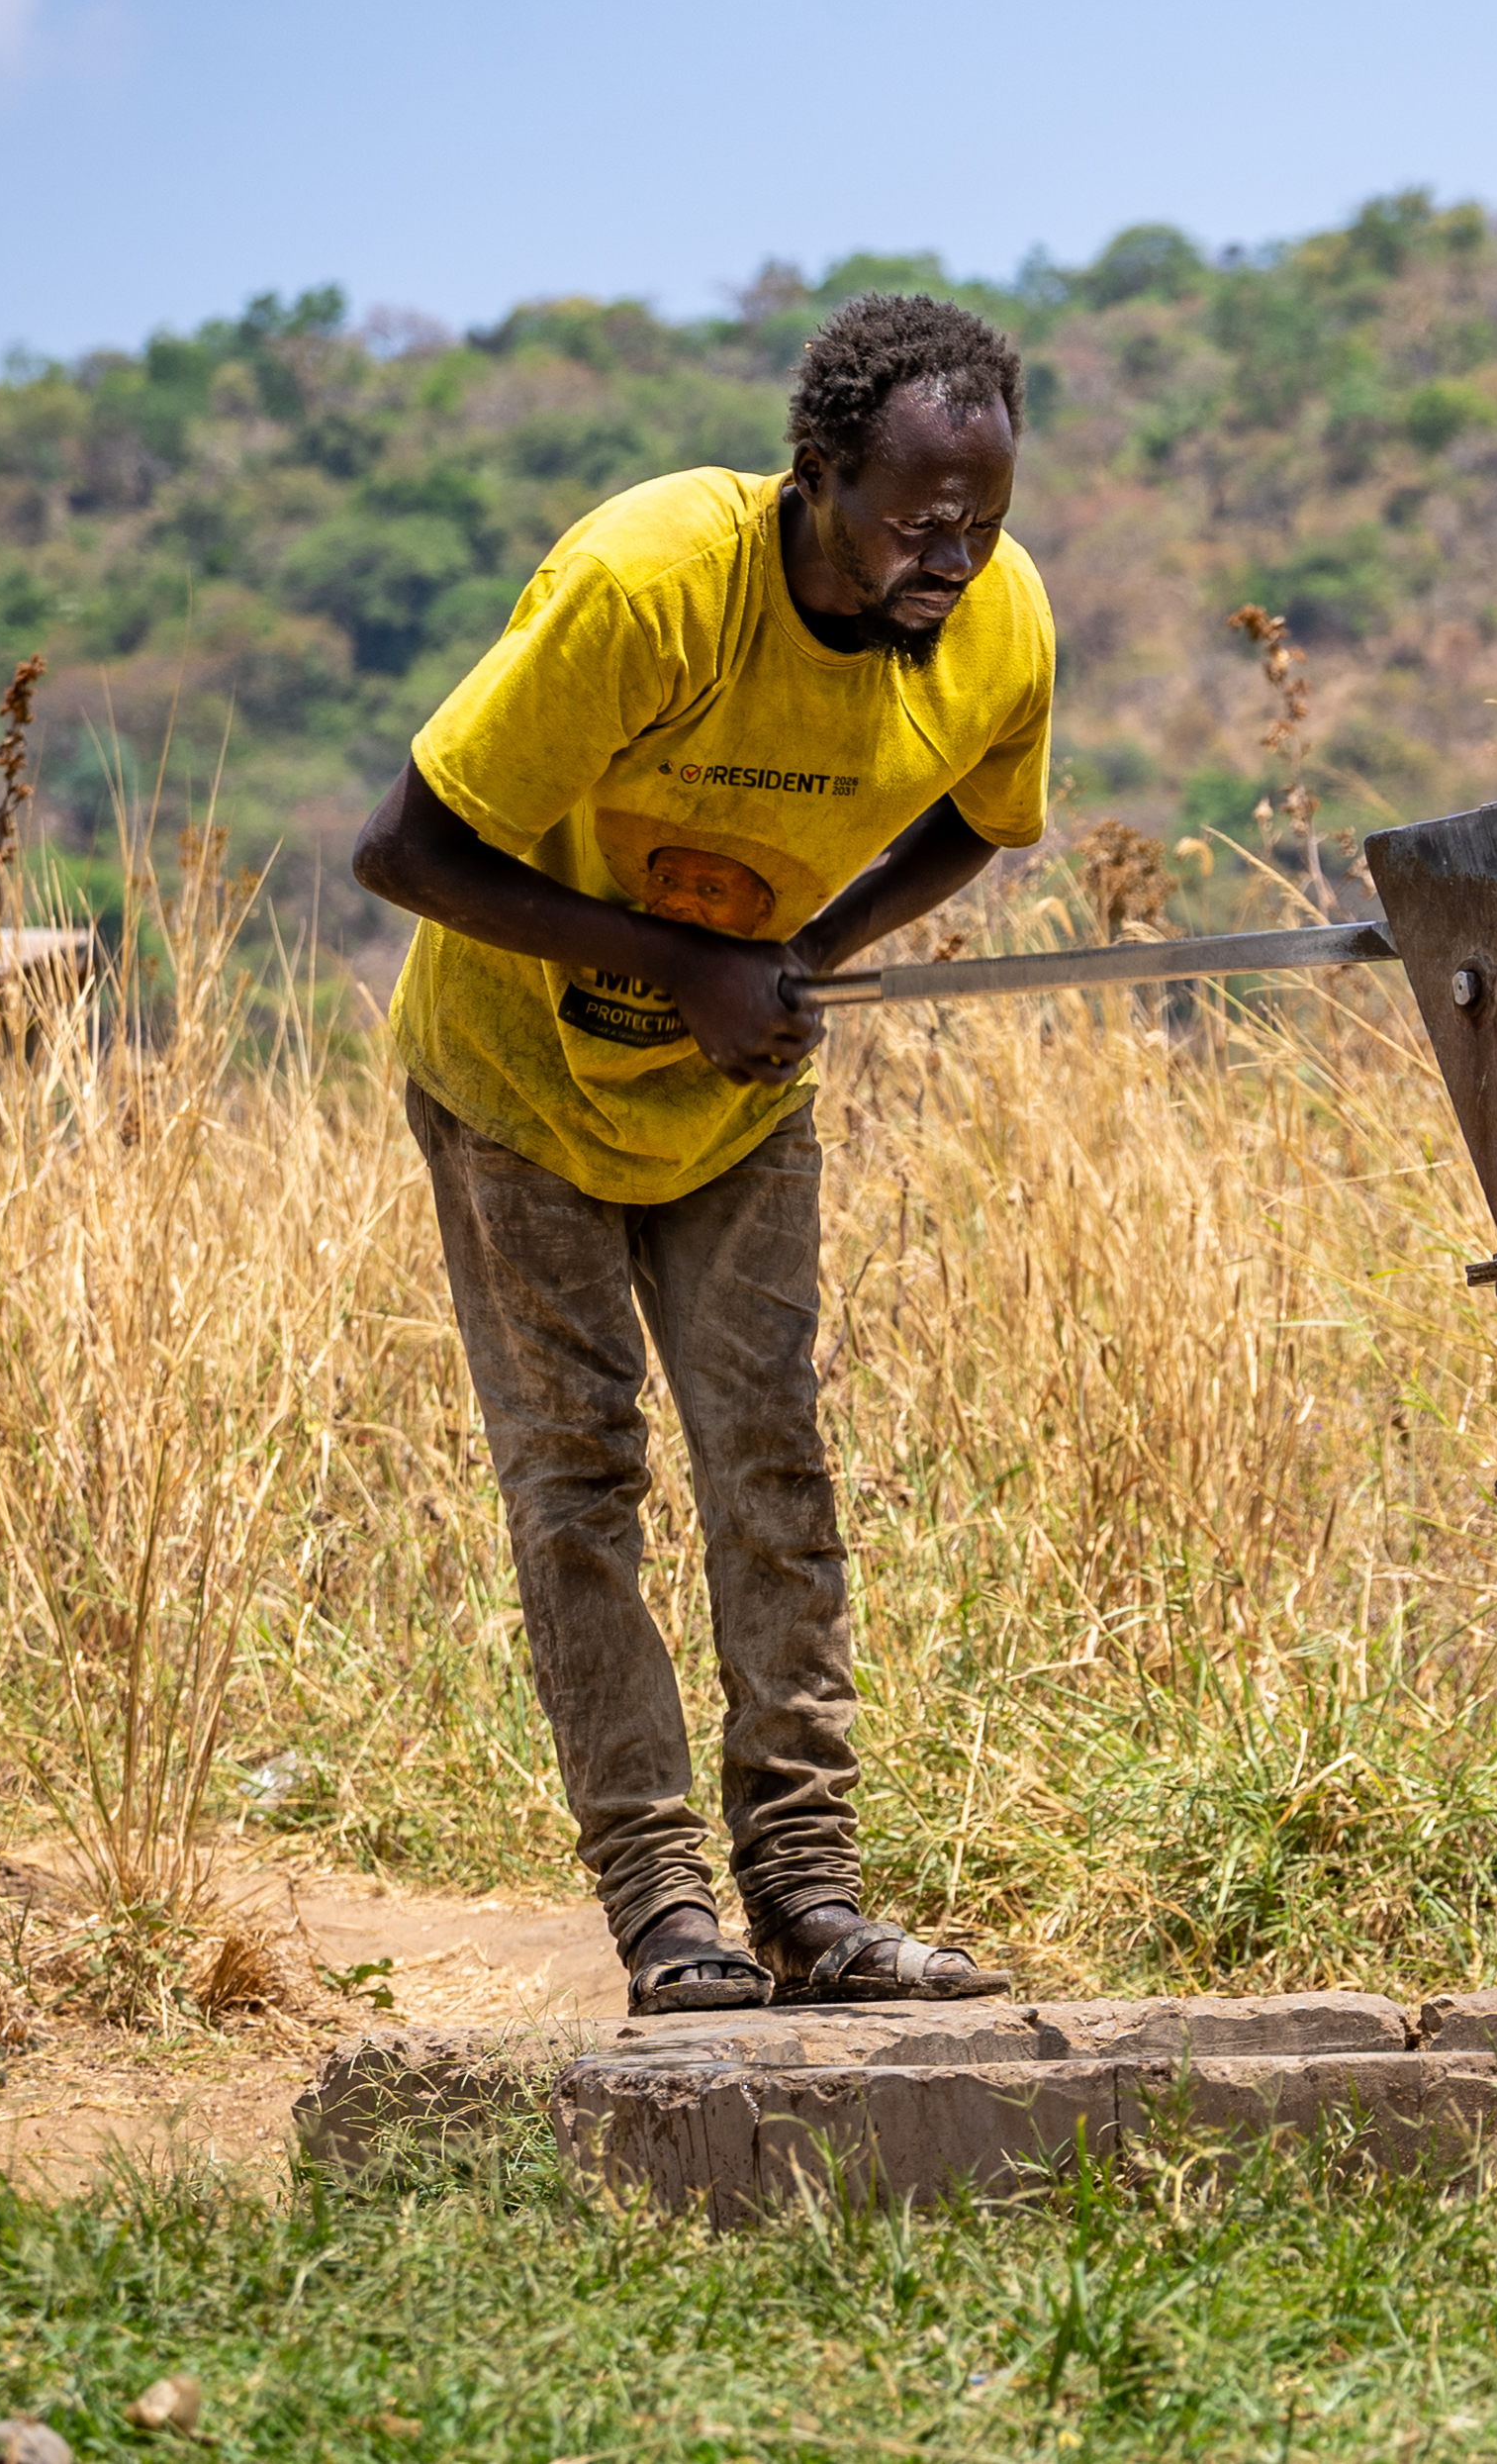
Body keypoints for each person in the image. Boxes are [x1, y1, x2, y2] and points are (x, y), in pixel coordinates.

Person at [351, 292, 1047, 2014]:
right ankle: (663, 1911)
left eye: (983, 516)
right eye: (914, 519)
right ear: (814, 477)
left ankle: (811, 1896)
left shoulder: (1000, 623)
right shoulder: (652, 584)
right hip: (520, 1084)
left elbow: (977, 815)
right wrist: (682, 965)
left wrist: (811, 953)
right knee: (581, 1484)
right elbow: (402, 849)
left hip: (738, 1092)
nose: (950, 554)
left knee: (773, 1466)